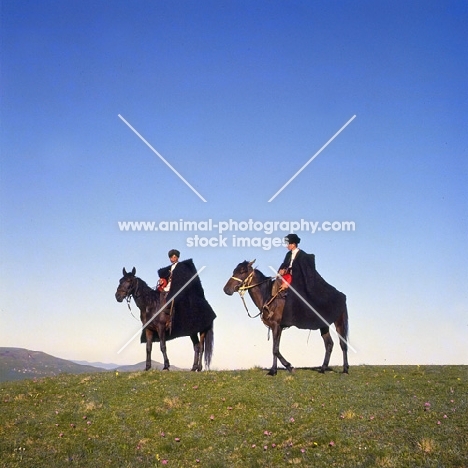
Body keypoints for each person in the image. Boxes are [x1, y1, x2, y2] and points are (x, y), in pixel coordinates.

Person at [157, 249, 216, 339]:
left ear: (177, 257)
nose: (173, 259)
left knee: (172, 299)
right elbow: (167, 278)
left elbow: (184, 280)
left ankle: (171, 321)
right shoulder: (170, 268)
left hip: (178, 289)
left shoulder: (182, 267)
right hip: (169, 286)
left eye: (174, 257)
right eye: (171, 257)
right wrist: (162, 281)